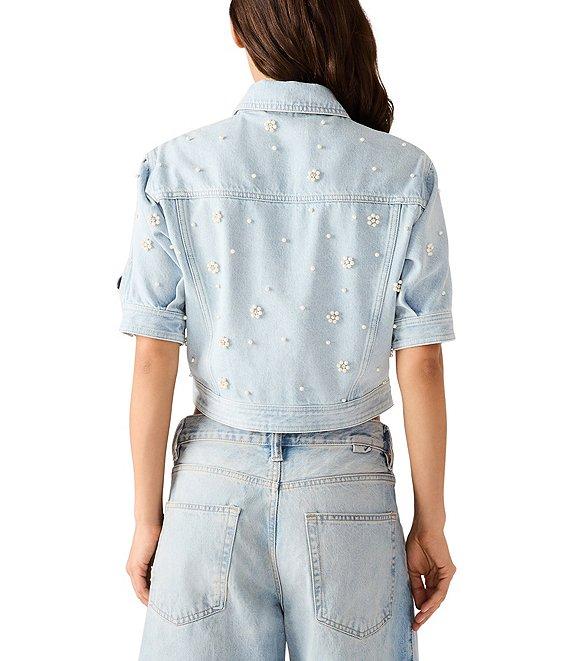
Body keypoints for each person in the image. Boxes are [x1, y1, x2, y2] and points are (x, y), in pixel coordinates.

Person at [119, 1, 456, 658]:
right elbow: (422, 364)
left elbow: (152, 359)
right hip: (348, 490)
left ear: (238, 33)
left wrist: (146, 518)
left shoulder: (176, 166)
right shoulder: (403, 170)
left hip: (212, 488)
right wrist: (431, 521)